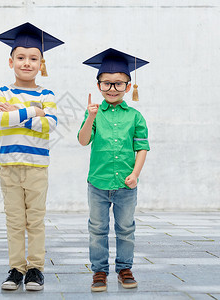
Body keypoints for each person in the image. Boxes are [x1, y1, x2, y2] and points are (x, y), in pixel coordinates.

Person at [0, 22, 64, 291]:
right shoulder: (3, 91)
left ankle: (35, 268)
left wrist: (18, 112)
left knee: (35, 219)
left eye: (33, 58)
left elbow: (52, 125)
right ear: (10, 61)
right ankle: (15, 268)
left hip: (36, 167)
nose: (27, 63)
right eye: (20, 58)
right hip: (9, 165)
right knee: (14, 220)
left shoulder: (47, 94)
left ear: (41, 63)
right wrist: (35, 112)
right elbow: (1, 119)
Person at [78, 48, 150, 292]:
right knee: (97, 229)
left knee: (126, 228)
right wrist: (90, 117)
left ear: (128, 87)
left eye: (118, 84)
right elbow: (83, 140)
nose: (112, 89)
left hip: (126, 184)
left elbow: (142, 148)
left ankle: (124, 268)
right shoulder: (95, 114)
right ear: (99, 85)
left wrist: (135, 174)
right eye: (106, 84)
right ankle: (99, 271)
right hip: (98, 183)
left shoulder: (135, 116)